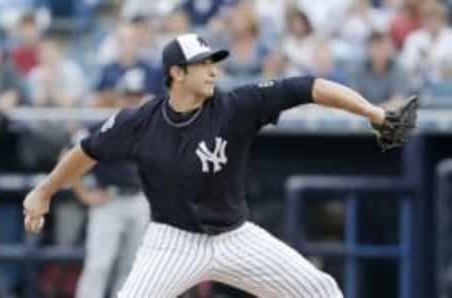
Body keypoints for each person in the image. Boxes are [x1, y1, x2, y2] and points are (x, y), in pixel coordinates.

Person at [23, 32, 392, 298]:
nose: (213, 70)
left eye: (213, 62)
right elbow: (85, 151)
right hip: (173, 241)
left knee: (320, 290)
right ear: (177, 73)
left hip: (235, 236)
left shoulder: (235, 107)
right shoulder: (138, 122)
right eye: (202, 64)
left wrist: (371, 111)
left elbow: (308, 86)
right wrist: (44, 191)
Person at [73, 73, 150, 298]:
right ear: (118, 98)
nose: (132, 101)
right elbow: (68, 157)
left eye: (136, 97)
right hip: (109, 200)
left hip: (138, 200)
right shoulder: (101, 127)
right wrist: (83, 194)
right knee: (98, 266)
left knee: (132, 268)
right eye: (127, 96)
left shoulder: (150, 128)